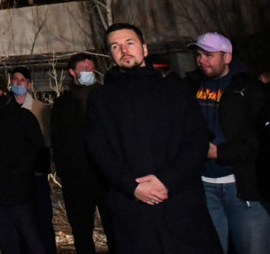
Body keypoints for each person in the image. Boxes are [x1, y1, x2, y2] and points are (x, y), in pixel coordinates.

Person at [86, 23, 219, 254]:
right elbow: (99, 149)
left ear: (144, 49)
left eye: (130, 43)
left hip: (181, 204)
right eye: (115, 46)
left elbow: (196, 142)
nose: (124, 51)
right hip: (133, 208)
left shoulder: (176, 91)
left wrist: (166, 180)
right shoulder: (101, 99)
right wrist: (131, 186)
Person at [188, 32, 270, 254]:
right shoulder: (191, 86)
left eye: (209, 54)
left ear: (227, 57)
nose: (202, 60)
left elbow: (261, 139)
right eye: (199, 54)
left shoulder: (249, 89)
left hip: (242, 188)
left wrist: (221, 153)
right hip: (205, 188)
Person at [50, 53, 115, 254]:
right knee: (81, 230)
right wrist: (64, 169)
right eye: (85, 69)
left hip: (105, 174)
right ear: (73, 72)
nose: (90, 72)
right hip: (76, 176)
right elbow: (57, 138)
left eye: (92, 68)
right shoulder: (63, 103)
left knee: (114, 228)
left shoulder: (106, 96)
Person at [0, 73, 47, 254]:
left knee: (31, 236)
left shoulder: (24, 117)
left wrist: (22, 173)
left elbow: (37, 149)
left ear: (4, 92)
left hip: (21, 189)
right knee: (8, 239)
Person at [9, 66, 56, 254]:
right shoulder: (6, 109)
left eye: (22, 80)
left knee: (42, 220)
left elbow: (47, 142)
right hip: (14, 176)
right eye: (15, 79)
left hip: (36, 173)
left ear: (29, 84)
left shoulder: (41, 109)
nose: (18, 83)